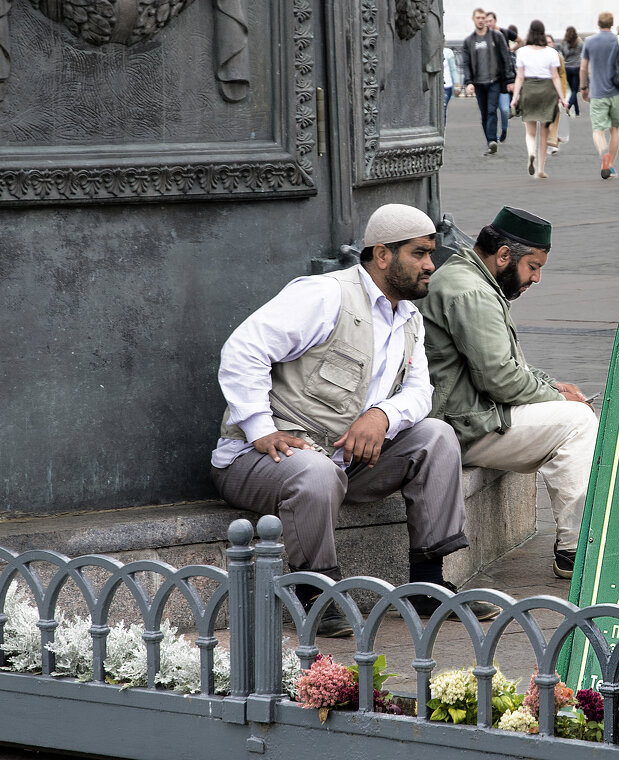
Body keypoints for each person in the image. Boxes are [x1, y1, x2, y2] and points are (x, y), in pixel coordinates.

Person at [210, 204, 499, 636]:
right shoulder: (325, 295)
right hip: (256, 461)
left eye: (431, 254)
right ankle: (315, 592)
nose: (429, 265)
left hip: (344, 463)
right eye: (419, 254)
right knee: (314, 469)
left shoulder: (409, 318)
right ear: (382, 255)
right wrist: (260, 428)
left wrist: (383, 415)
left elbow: (422, 392)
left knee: (436, 435)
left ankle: (427, 583)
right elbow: (243, 349)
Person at [419, 207, 599, 578]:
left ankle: (577, 540)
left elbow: (503, 367)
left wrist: (553, 386)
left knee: (571, 412)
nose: (536, 278)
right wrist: (557, 399)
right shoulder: (471, 291)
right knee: (578, 421)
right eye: (533, 266)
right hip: (460, 426)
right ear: (504, 256)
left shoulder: (469, 278)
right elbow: (500, 379)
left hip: (469, 414)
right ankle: (573, 548)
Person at [512, 20, 568, 179]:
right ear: (543, 33)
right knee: (544, 132)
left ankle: (531, 154)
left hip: (529, 89)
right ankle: (541, 169)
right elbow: (556, 77)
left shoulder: (521, 52)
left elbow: (520, 77)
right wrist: (562, 98)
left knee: (530, 131)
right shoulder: (551, 52)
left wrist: (515, 97)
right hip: (547, 91)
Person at [580, 11, 619, 180]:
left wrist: (583, 88)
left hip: (597, 91)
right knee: (614, 130)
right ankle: (611, 166)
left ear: (598, 23)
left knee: (598, 130)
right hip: (616, 91)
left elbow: (583, 67)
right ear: (612, 23)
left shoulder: (590, 41)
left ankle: (604, 154)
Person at [462, 8, 514, 155]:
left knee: (492, 110)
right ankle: (489, 142)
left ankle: (492, 140)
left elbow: (506, 57)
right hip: (478, 82)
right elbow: (465, 63)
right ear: (473, 19)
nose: (481, 20)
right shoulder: (468, 41)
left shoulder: (496, 37)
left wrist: (510, 79)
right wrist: (469, 82)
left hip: (494, 81)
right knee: (484, 113)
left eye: (483, 17)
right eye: (478, 17)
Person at [559, 26, 583, 116]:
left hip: (567, 68)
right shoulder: (579, 42)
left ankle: (577, 111)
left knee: (572, 89)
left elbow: (564, 54)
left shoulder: (563, 43)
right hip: (577, 67)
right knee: (574, 89)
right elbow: (583, 52)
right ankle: (568, 106)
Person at [442, 46, 458, 124]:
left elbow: (453, 69)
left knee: (443, 109)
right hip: (434, 85)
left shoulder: (448, 52)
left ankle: (443, 132)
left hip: (446, 86)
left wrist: (457, 84)